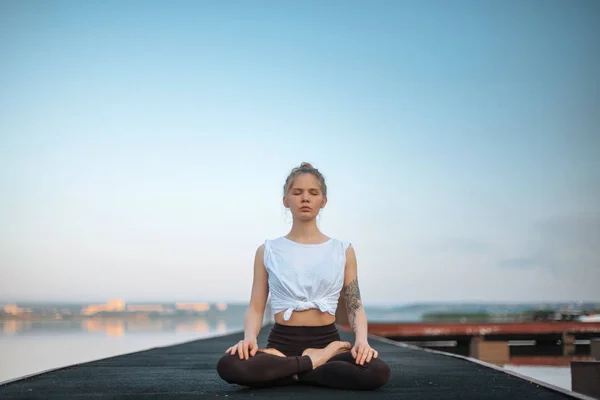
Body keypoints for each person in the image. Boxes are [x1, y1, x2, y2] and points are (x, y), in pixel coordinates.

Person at [216, 162, 391, 390]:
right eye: (297, 192)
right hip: (280, 345)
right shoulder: (267, 250)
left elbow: (355, 305)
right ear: (285, 200)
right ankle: (311, 364)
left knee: (377, 371)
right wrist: (249, 339)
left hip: (327, 343)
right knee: (229, 365)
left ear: (323, 201)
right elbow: (256, 307)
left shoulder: (342, 250)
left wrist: (361, 342)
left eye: (313, 193)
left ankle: (290, 370)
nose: (305, 198)